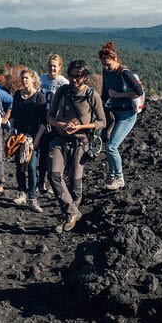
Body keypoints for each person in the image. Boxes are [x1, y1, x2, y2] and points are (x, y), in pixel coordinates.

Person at [48, 60, 106, 233]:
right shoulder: (62, 91)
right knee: (54, 174)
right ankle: (72, 212)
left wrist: (81, 127)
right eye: (71, 75)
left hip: (80, 141)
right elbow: (50, 117)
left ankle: (69, 216)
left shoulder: (91, 95)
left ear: (85, 77)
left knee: (75, 181)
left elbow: (102, 121)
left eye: (78, 77)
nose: (73, 79)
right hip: (60, 139)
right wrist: (62, 125)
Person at [99, 41, 144, 190]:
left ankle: (119, 178)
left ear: (115, 60)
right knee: (107, 145)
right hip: (114, 113)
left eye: (109, 65)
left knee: (112, 146)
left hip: (128, 114)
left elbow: (139, 91)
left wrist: (119, 95)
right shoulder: (106, 72)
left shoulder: (124, 72)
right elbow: (105, 93)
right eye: (104, 65)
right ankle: (111, 177)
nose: (106, 68)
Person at [10, 69, 47, 213]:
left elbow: (44, 121)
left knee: (31, 167)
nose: (24, 80)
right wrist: (12, 128)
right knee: (20, 165)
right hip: (19, 136)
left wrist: (37, 138)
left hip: (33, 136)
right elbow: (13, 114)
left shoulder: (40, 97)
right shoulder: (18, 95)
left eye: (26, 78)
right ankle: (21, 193)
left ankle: (33, 197)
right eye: (22, 78)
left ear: (33, 79)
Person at [38, 54, 69, 194]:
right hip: (42, 120)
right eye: (50, 65)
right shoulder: (41, 79)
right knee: (43, 152)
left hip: (56, 122)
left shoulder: (64, 83)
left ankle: (54, 181)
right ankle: (41, 181)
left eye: (55, 66)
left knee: (55, 153)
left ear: (60, 67)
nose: (52, 68)